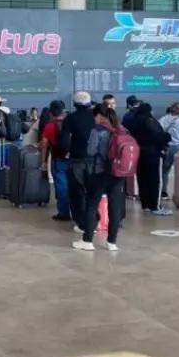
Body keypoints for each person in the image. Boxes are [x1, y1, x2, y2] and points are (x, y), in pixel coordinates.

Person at [58, 94, 124, 251]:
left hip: (99, 171)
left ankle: (87, 240)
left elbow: (91, 151)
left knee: (91, 203)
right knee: (115, 205)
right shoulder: (122, 130)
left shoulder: (97, 131)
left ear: (100, 116)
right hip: (118, 172)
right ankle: (112, 242)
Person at [130, 103, 172, 215]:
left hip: (139, 154)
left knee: (142, 180)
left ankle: (146, 205)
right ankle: (155, 206)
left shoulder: (134, 121)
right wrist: (167, 136)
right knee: (155, 181)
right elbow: (158, 136)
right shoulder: (150, 120)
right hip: (153, 154)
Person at [40, 100, 70, 221]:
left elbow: (44, 144)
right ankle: (76, 211)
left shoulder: (50, 126)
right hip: (74, 159)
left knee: (61, 186)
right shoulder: (70, 123)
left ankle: (63, 213)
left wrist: (43, 161)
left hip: (58, 159)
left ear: (51, 113)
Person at [159, 102, 179, 199]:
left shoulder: (164, 119)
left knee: (165, 171)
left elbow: (159, 131)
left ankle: (163, 192)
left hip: (168, 148)